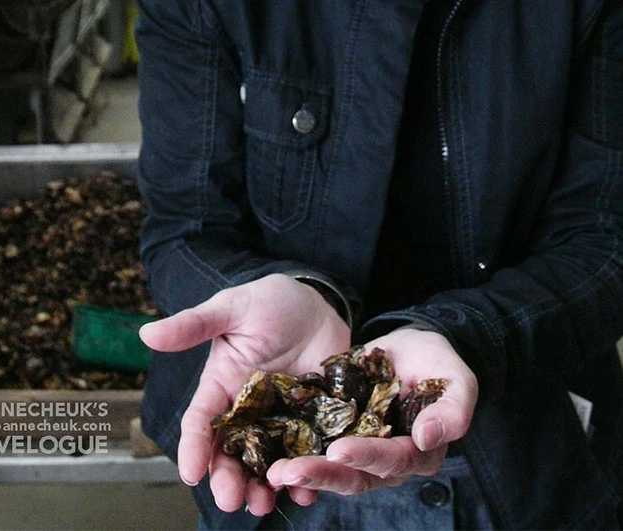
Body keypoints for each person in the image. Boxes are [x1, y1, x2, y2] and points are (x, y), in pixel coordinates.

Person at [133, 1, 623, 529]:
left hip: (531, 451)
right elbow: (185, 227)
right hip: (277, 485)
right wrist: (279, 288)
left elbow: (604, 240)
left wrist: (471, 335)